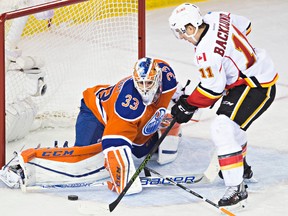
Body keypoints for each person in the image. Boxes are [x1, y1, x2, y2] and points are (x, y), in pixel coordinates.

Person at [0, 57, 183, 195]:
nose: (144, 88)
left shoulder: (165, 73)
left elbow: (175, 90)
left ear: (158, 79)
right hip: (95, 113)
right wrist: (123, 180)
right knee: (83, 161)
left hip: (131, 119)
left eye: (149, 82)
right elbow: (114, 145)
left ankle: (163, 127)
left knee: (144, 152)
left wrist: (183, 101)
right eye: (140, 83)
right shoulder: (127, 107)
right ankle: (25, 162)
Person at [168, 3, 278, 208]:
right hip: (254, 75)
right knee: (231, 126)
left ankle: (237, 188)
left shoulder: (205, 54)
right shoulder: (216, 17)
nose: (181, 37)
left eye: (181, 32)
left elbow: (212, 90)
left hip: (256, 86)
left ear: (191, 28)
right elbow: (246, 25)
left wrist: (187, 105)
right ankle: (241, 168)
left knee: (222, 127)